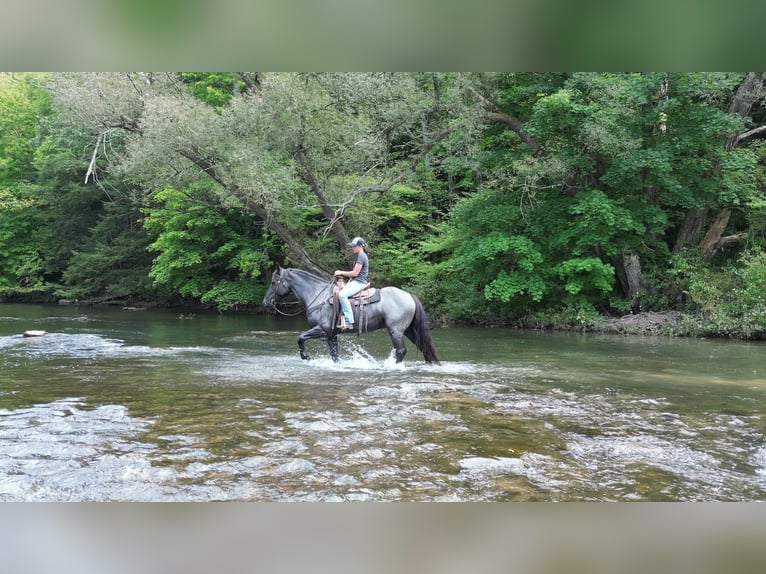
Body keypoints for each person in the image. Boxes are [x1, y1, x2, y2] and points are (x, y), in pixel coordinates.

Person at [334, 236, 369, 330]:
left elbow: (355, 273)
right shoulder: (361, 256)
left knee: (342, 295)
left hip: (359, 282)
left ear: (360, 246)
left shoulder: (361, 256)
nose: (353, 248)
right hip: (356, 281)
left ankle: (349, 321)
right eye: (352, 246)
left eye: (354, 246)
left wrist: (341, 272)